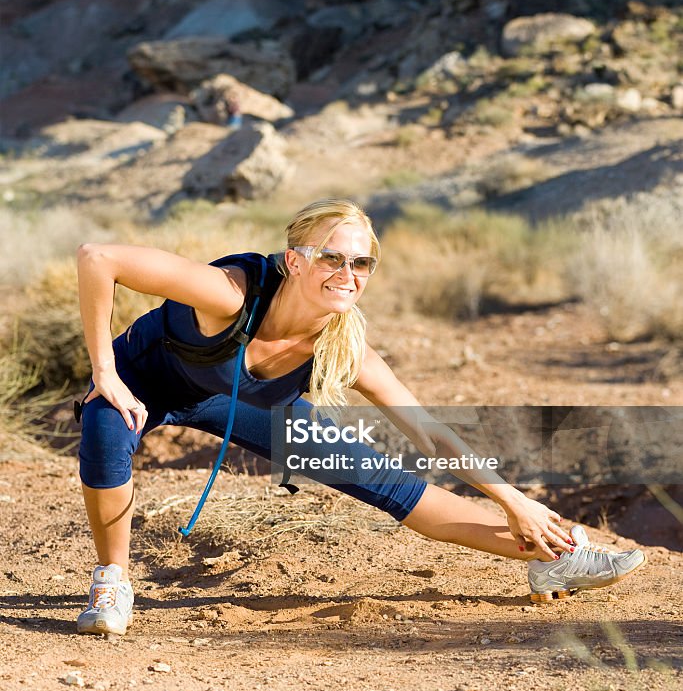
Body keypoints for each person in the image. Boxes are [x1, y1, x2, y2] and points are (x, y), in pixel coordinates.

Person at [75, 198, 645, 635]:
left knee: (390, 483)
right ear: (295, 261)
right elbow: (99, 259)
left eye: (362, 263)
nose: (348, 274)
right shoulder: (230, 294)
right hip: (143, 382)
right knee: (106, 425)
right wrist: (104, 371)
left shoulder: (343, 346)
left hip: (243, 403)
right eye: (332, 258)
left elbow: (428, 430)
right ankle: (112, 581)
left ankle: (553, 559)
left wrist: (515, 502)